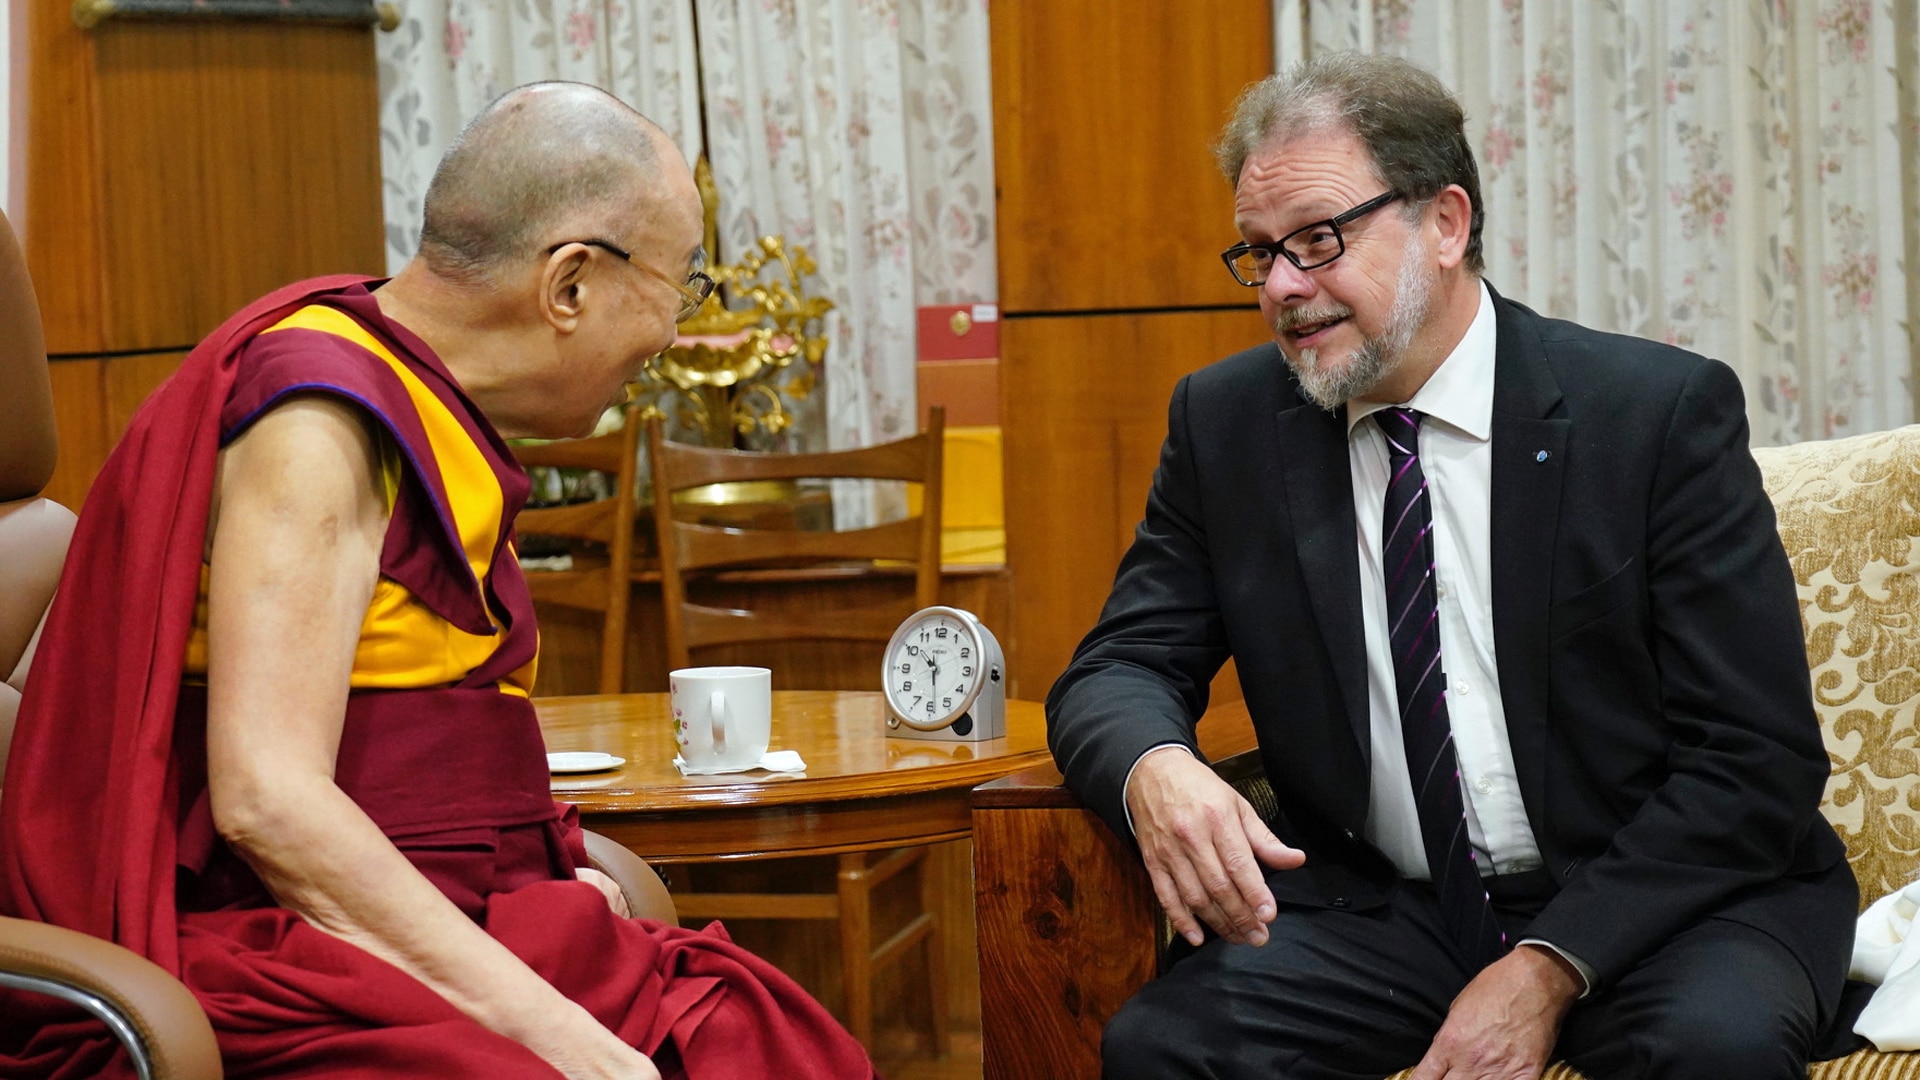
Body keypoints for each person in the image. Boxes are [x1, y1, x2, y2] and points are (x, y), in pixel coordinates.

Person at [0, 83, 873, 1080]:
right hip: (299, 951)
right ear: (571, 285)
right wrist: (571, 1040)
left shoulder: (419, 395)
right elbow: (268, 801)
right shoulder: (321, 419)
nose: (674, 337)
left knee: (766, 1039)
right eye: (683, 288)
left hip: (451, 912)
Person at [1049, 52, 1862, 1080]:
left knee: (1712, 1052)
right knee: (1162, 1048)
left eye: (1319, 241)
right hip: (1391, 911)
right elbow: (1117, 665)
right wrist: (1153, 769)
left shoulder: (1653, 417)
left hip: (1664, 901)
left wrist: (1547, 966)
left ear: (1445, 223)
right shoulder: (1228, 428)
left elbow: (1757, 759)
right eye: (1261, 255)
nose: (1286, 288)